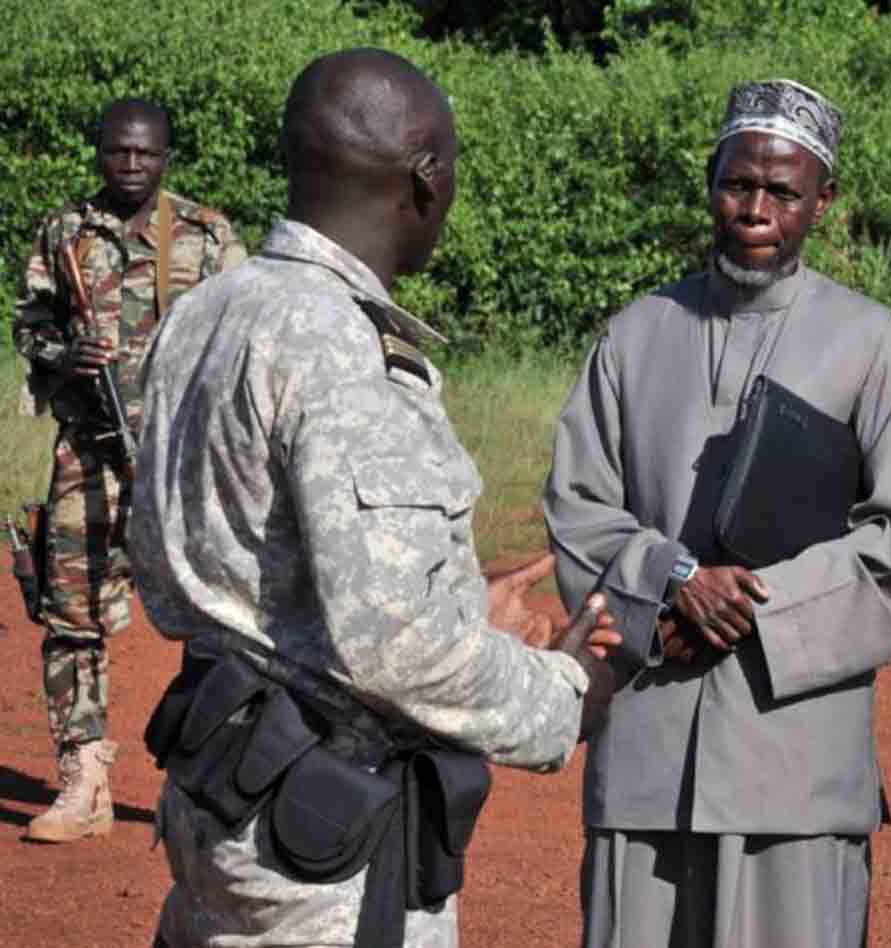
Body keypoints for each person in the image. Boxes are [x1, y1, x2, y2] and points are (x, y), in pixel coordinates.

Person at [129, 48, 620, 947]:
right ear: (425, 178)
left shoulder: (208, 310)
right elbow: (399, 650)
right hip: (320, 849)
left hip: (217, 799)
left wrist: (458, 604)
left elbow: (187, 567)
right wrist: (567, 693)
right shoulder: (341, 348)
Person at [544, 79, 891, 947]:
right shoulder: (635, 334)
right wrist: (673, 578)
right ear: (711, 185)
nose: (755, 210)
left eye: (782, 192)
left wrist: (752, 604)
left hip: (793, 767)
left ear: (821, 202)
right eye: (737, 184)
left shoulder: (869, 342)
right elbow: (577, 507)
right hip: (646, 752)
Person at [12, 96, 246, 844]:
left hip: (183, 462)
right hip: (87, 453)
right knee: (71, 614)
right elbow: (30, 324)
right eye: (119, 151)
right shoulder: (65, 233)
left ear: (166, 157)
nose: (132, 164)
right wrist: (63, 354)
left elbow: (246, 335)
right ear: (100, 152)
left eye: (146, 153)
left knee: (217, 620)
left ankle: (209, 788)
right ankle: (83, 782)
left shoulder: (207, 235)